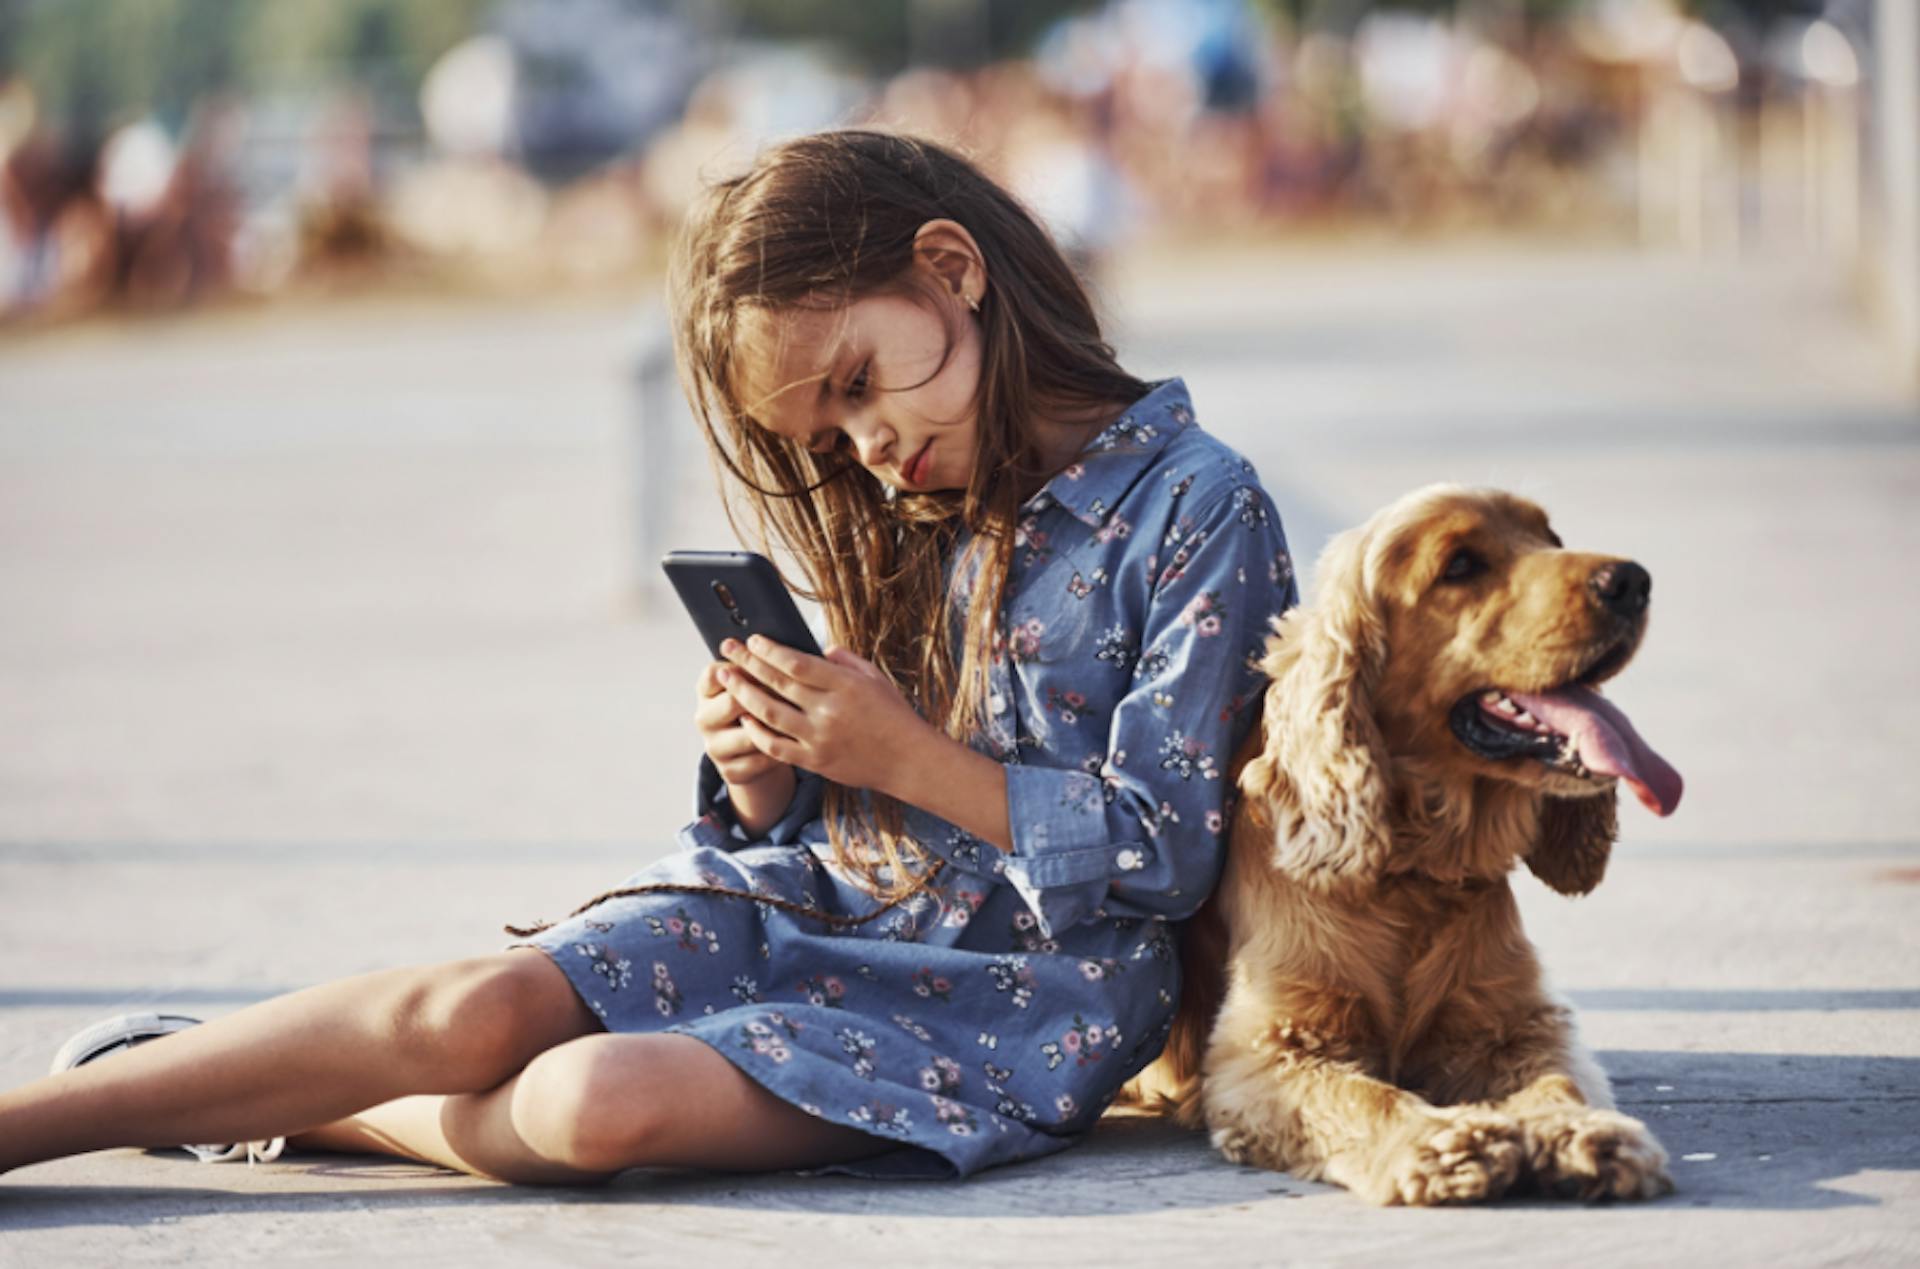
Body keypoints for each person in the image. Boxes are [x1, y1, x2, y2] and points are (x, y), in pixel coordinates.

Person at [0, 129, 1296, 1184]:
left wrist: (903, 754)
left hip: (1014, 998)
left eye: (855, 383)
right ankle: (57, 1116)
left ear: (950, 268)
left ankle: (299, 1103)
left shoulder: (1196, 502)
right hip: (801, 897)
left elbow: (1166, 852)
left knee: (590, 1104)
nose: (865, 448)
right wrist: (765, 772)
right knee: (472, 1019)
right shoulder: (913, 507)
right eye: (828, 435)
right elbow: (830, 812)